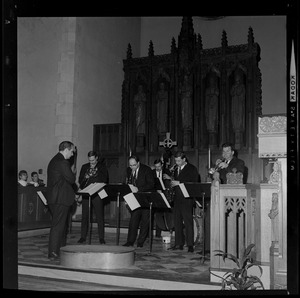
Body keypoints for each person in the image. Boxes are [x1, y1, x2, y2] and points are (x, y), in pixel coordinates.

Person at [163, 151, 199, 253]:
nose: (177, 163)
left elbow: (194, 182)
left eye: (179, 161)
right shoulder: (175, 169)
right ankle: (178, 243)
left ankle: (190, 245)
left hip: (187, 198)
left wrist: (180, 182)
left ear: (184, 159)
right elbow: (173, 181)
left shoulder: (192, 169)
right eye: (176, 161)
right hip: (176, 198)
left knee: (188, 222)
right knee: (177, 222)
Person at [46, 141, 76, 261]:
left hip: (55, 198)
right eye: (72, 151)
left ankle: (58, 250)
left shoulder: (54, 160)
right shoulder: (63, 162)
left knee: (59, 226)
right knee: (58, 226)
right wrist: (73, 172)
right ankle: (53, 252)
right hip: (60, 199)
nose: (72, 154)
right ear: (66, 150)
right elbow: (71, 179)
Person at [123, 155, 155, 248]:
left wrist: (139, 189)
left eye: (134, 165)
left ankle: (140, 241)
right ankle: (130, 241)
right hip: (134, 198)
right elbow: (127, 183)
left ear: (138, 163)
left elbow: (151, 184)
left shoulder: (146, 169)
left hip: (145, 198)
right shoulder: (128, 170)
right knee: (133, 219)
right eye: (130, 165)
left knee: (145, 221)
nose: (132, 167)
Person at [77, 151, 109, 244]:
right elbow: (80, 181)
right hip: (86, 193)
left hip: (97, 193)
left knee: (99, 216)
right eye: (90, 160)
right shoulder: (84, 167)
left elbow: (105, 179)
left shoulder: (102, 167)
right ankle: (83, 236)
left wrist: (96, 173)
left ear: (97, 158)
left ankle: (101, 238)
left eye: (93, 160)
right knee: (85, 216)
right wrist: (85, 177)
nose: (91, 162)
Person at [152, 159, 172, 238]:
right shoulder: (152, 173)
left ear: (162, 165)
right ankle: (157, 234)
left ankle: (169, 229)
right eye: (156, 167)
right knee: (157, 214)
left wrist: (169, 177)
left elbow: (172, 181)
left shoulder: (167, 171)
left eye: (159, 166)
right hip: (156, 194)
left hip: (166, 194)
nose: (158, 168)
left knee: (168, 212)